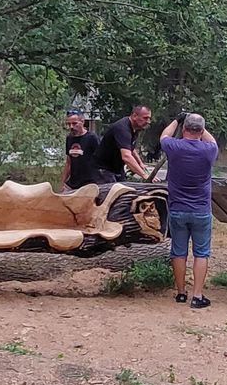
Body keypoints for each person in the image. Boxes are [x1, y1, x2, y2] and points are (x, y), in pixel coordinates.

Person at [160, 113, 218, 309]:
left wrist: (177, 119)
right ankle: (198, 295)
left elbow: (164, 135)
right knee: (201, 253)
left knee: (178, 252)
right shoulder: (209, 150)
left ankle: (181, 293)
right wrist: (200, 126)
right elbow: (211, 139)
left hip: (177, 209)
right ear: (201, 131)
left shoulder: (174, 147)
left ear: (184, 129)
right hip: (201, 210)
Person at [90, 105, 152, 184]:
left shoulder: (135, 128)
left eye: (149, 118)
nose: (148, 121)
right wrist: (144, 175)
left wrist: (140, 163)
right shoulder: (122, 129)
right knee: (113, 194)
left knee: (125, 192)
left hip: (117, 169)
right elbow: (126, 156)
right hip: (103, 170)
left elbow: (130, 149)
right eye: (145, 118)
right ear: (134, 116)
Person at [61, 111, 100, 193]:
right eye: (69, 124)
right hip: (73, 183)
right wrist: (63, 182)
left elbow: (100, 160)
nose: (71, 127)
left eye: (74, 123)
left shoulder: (92, 138)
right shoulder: (69, 138)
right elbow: (68, 162)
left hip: (89, 183)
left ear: (82, 122)